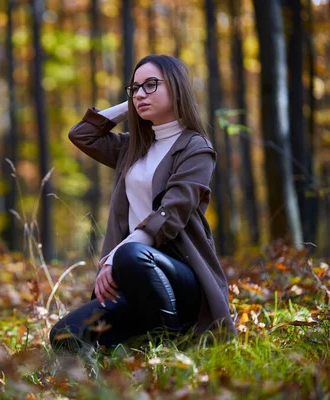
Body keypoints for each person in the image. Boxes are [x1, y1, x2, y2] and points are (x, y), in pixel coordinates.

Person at [49, 55, 237, 355]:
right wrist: (133, 106)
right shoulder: (133, 146)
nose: (139, 93)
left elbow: (172, 213)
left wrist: (115, 256)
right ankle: (139, 343)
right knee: (63, 335)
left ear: (177, 89)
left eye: (151, 85)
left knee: (132, 254)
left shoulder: (195, 148)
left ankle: (171, 347)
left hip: (179, 280)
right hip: (132, 277)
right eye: (134, 88)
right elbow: (81, 134)